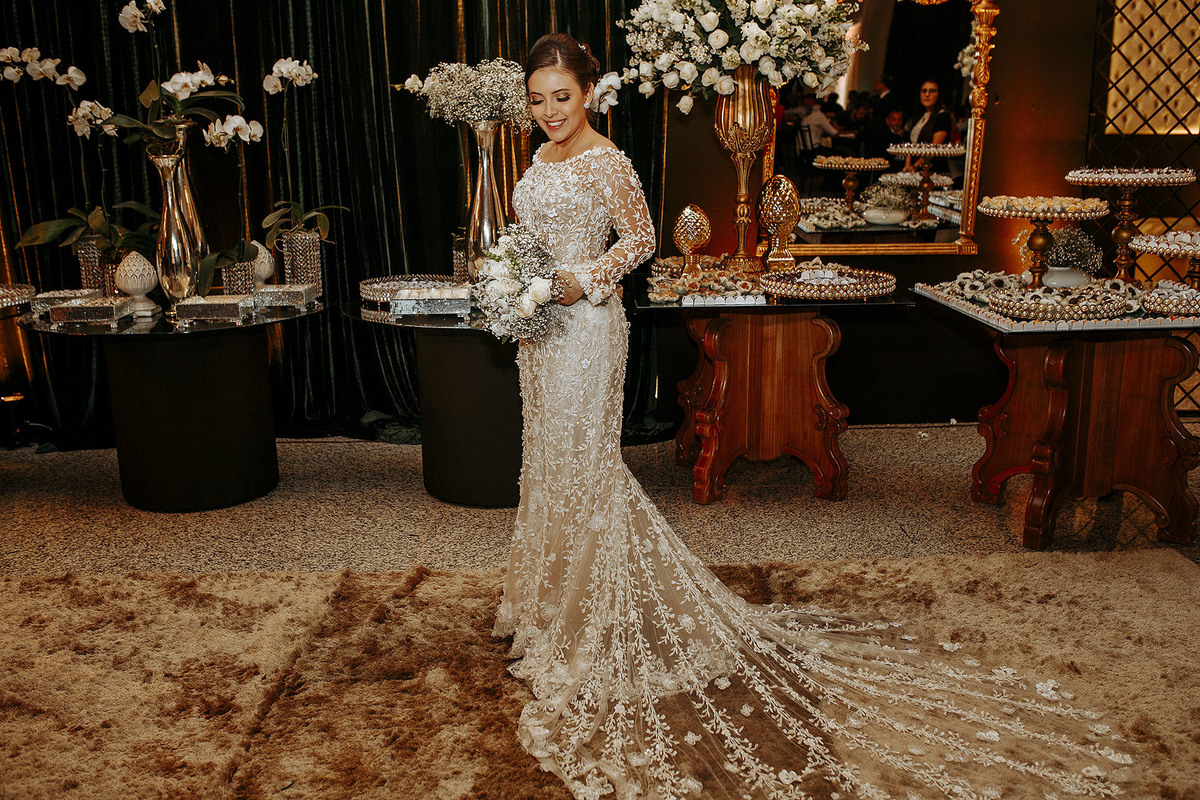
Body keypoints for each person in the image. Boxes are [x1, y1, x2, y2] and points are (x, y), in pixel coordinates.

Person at [493, 31, 1131, 800]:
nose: (549, 111)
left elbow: (638, 241)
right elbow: (528, 241)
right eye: (537, 99)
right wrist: (513, 282)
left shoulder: (607, 158)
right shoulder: (535, 161)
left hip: (588, 331)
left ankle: (588, 620)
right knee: (545, 463)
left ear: (588, 93)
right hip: (541, 339)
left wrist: (579, 280)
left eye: (561, 97)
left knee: (583, 467)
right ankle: (546, 607)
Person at [903, 79, 953, 172]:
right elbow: (910, 145)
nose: (927, 94)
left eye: (932, 91)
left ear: (939, 95)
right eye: (924, 91)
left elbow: (933, 149)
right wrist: (907, 167)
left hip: (932, 171)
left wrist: (915, 167)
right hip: (914, 171)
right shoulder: (919, 116)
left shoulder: (942, 116)